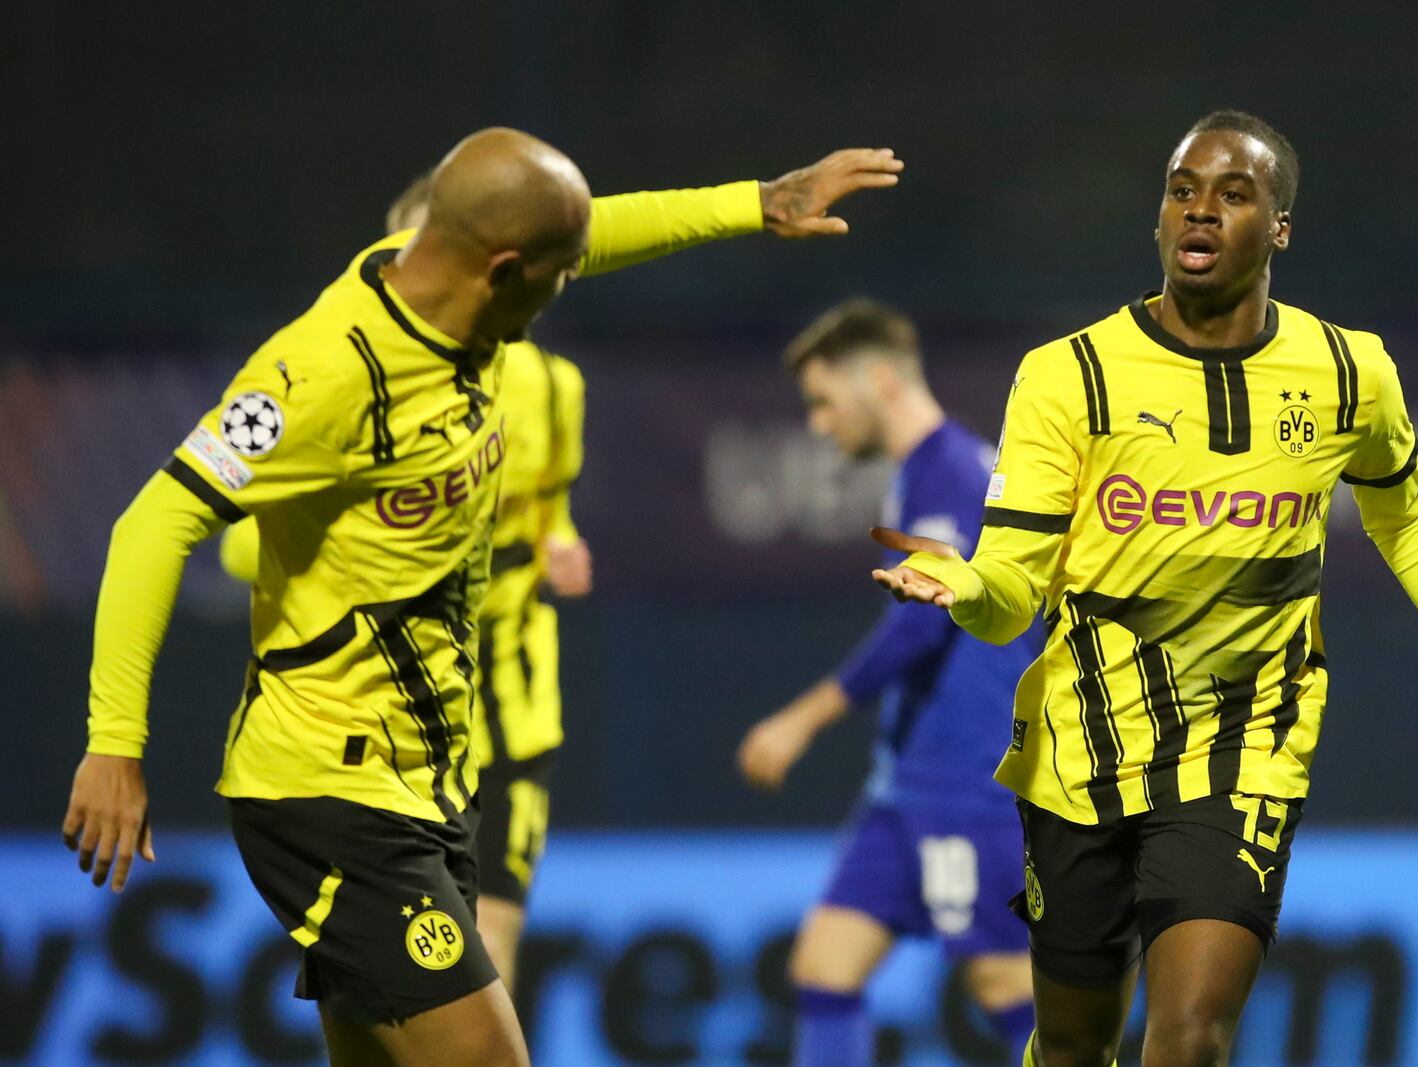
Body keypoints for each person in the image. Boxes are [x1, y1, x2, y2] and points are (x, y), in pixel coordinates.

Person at [63, 127, 902, 1067]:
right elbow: (152, 523)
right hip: (328, 787)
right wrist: (113, 743)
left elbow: (596, 232)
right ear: (504, 269)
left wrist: (757, 201)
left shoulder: (452, 286)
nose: (565, 290)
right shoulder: (326, 377)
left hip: (430, 781)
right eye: (556, 275)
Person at [871, 110, 1418, 1067]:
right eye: (1183, 189)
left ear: (1279, 228)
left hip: (1247, 744)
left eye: (1234, 194)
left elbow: (1408, 513)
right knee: (1069, 1047)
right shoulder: (1071, 376)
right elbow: (1012, 591)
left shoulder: (1351, 372)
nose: (1201, 210)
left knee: (1189, 1037)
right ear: (1158, 218)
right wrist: (964, 587)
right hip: (1081, 747)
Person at [218, 173, 594, 997]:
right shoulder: (347, 392)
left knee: (488, 940)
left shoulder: (554, 387)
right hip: (390, 736)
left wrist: (558, 540)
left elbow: (550, 505)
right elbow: (234, 543)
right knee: (416, 972)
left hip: (512, 708)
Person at [737, 300, 1042, 1066]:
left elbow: (925, 621)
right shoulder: (925, 477)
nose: (817, 422)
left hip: (969, 781)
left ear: (878, 378)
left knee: (1012, 989)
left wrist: (802, 718)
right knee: (824, 966)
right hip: (908, 783)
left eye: (822, 399)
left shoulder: (953, 472)